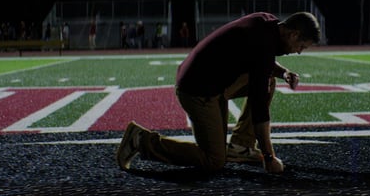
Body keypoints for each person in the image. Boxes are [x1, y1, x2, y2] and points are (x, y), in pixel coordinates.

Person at [116, 11, 321, 174]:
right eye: (301, 45)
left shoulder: (266, 22)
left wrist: (283, 72)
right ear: (293, 34)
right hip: (197, 91)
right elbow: (259, 111)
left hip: (209, 80)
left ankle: (241, 146)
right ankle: (141, 141)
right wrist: (269, 158)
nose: (299, 51)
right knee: (214, 160)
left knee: (268, 80)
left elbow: (262, 59)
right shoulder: (263, 44)